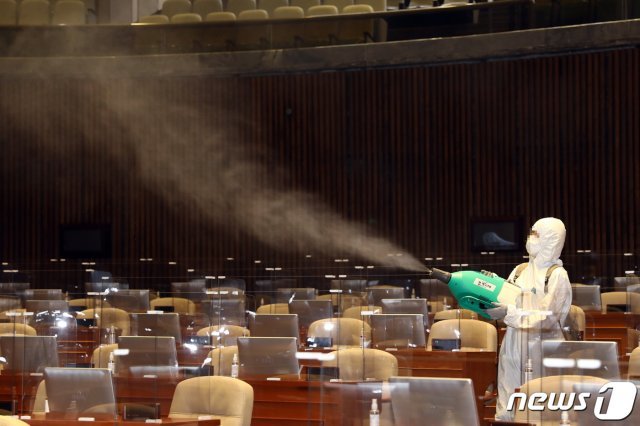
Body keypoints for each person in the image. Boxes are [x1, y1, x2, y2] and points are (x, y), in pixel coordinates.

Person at [485, 217, 572, 421]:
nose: (530, 238)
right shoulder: (519, 271)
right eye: (530, 233)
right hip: (513, 343)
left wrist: (509, 313)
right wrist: (490, 287)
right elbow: (505, 300)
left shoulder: (557, 275)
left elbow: (546, 319)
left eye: (536, 234)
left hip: (543, 347)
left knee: (539, 407)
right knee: (507, 403)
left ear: (551, 239)